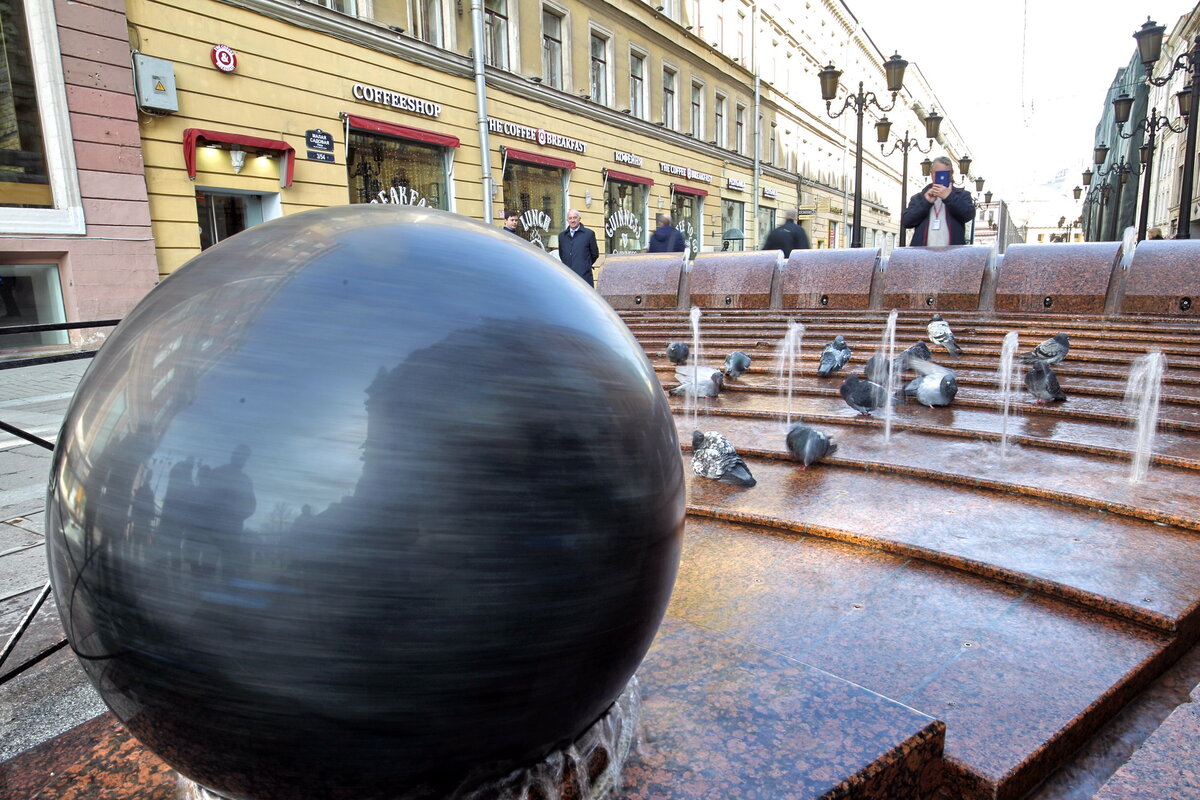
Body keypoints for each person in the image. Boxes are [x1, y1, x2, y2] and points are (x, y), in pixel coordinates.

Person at [901, 156, 975, 246]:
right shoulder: (919, 197)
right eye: (937, 173)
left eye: (945, 173)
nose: (941, 176)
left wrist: (949, 197)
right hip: (923, 256)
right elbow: (906, 222)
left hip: (952, 255)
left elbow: (969, 214)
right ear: (931, 174)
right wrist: (926, 202)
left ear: (951, 173)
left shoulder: (962, 195)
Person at [558, 209, 599, 286]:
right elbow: (562, 254)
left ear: (579, 219)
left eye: (575, 217)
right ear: (567, 220)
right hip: (567, 277)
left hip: (584, 277)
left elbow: (595, 254)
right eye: (570, 218)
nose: (572, 220)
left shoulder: (589, 234)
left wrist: (584, 265)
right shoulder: (562, 236)